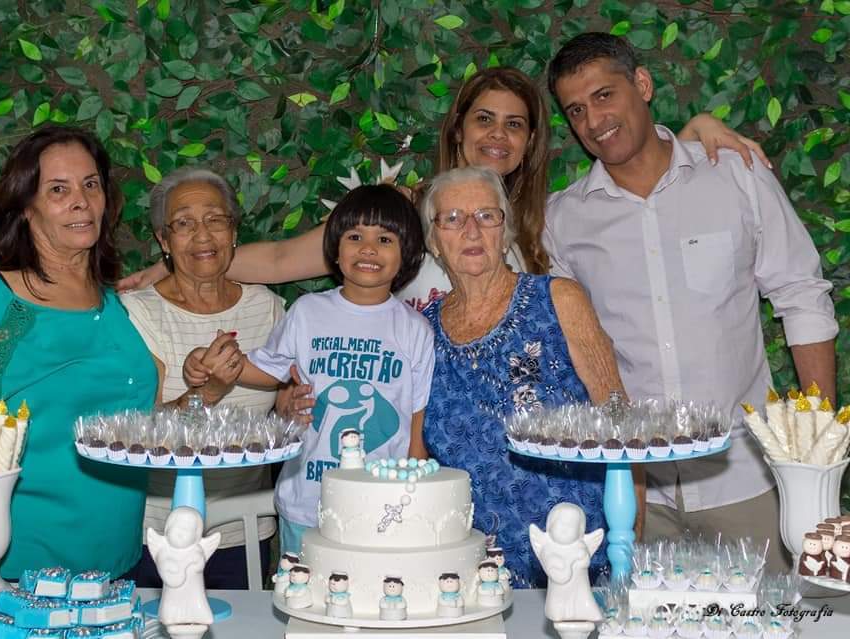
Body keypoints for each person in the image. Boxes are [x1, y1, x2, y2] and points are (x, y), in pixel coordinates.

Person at [543, 32, 838, 573]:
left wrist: (814, 443)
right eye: (576, 110)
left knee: (777, 617)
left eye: (605, 95)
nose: (593, 120)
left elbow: (801, 294)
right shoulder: (564, 219)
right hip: (636, 499)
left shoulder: (736, 174)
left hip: (747, 481)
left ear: (642, 84)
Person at [117, 69, 766, 305]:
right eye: (484, 119)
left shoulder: (547, 222)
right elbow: (286, 258)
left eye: (515, 124)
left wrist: (692, 133)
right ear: (458, 128)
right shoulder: (401, 210)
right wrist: (179, 263)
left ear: (530, 143)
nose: (498, 135)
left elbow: (636, 175)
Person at [0, 125, 158, 578]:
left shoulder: (110, 302)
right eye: (58, 189)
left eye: (91, 184)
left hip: (119, 565)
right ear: (25, 207)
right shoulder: (0, 303)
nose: (81, 201)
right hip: (21, 573)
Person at [183, 184, 434, 555]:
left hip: (382, 508)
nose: (368, 249)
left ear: (407, 252)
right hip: (306, 501)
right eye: (354, 236)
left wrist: (414, 498)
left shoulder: (416, 330)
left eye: (384, 239)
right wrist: (209, 361)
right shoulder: (307, 311)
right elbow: (269, 369)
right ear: (335, 247)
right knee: (300, 589)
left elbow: (417, 425)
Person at [416, 165, 628, 588]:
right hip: (472, 570)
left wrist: (629, 534)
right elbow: (415, 453)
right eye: (453, 219)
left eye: (486, 215)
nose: (471, 230)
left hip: (576, 554)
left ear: (505, 231)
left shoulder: (558, 299)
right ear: (434, 241)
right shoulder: (421, 331)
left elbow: (619, 417)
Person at [120, 166, 288, 588]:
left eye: (215, 220)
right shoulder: (138, 312)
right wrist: (208, 393)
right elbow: (136, 431)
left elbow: (284, 404)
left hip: (244, 530)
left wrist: (298, 404)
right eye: (183, 224)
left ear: (233, 232)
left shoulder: (267, 307)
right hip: (157, 534)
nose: (202, 236)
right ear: (163, 240)